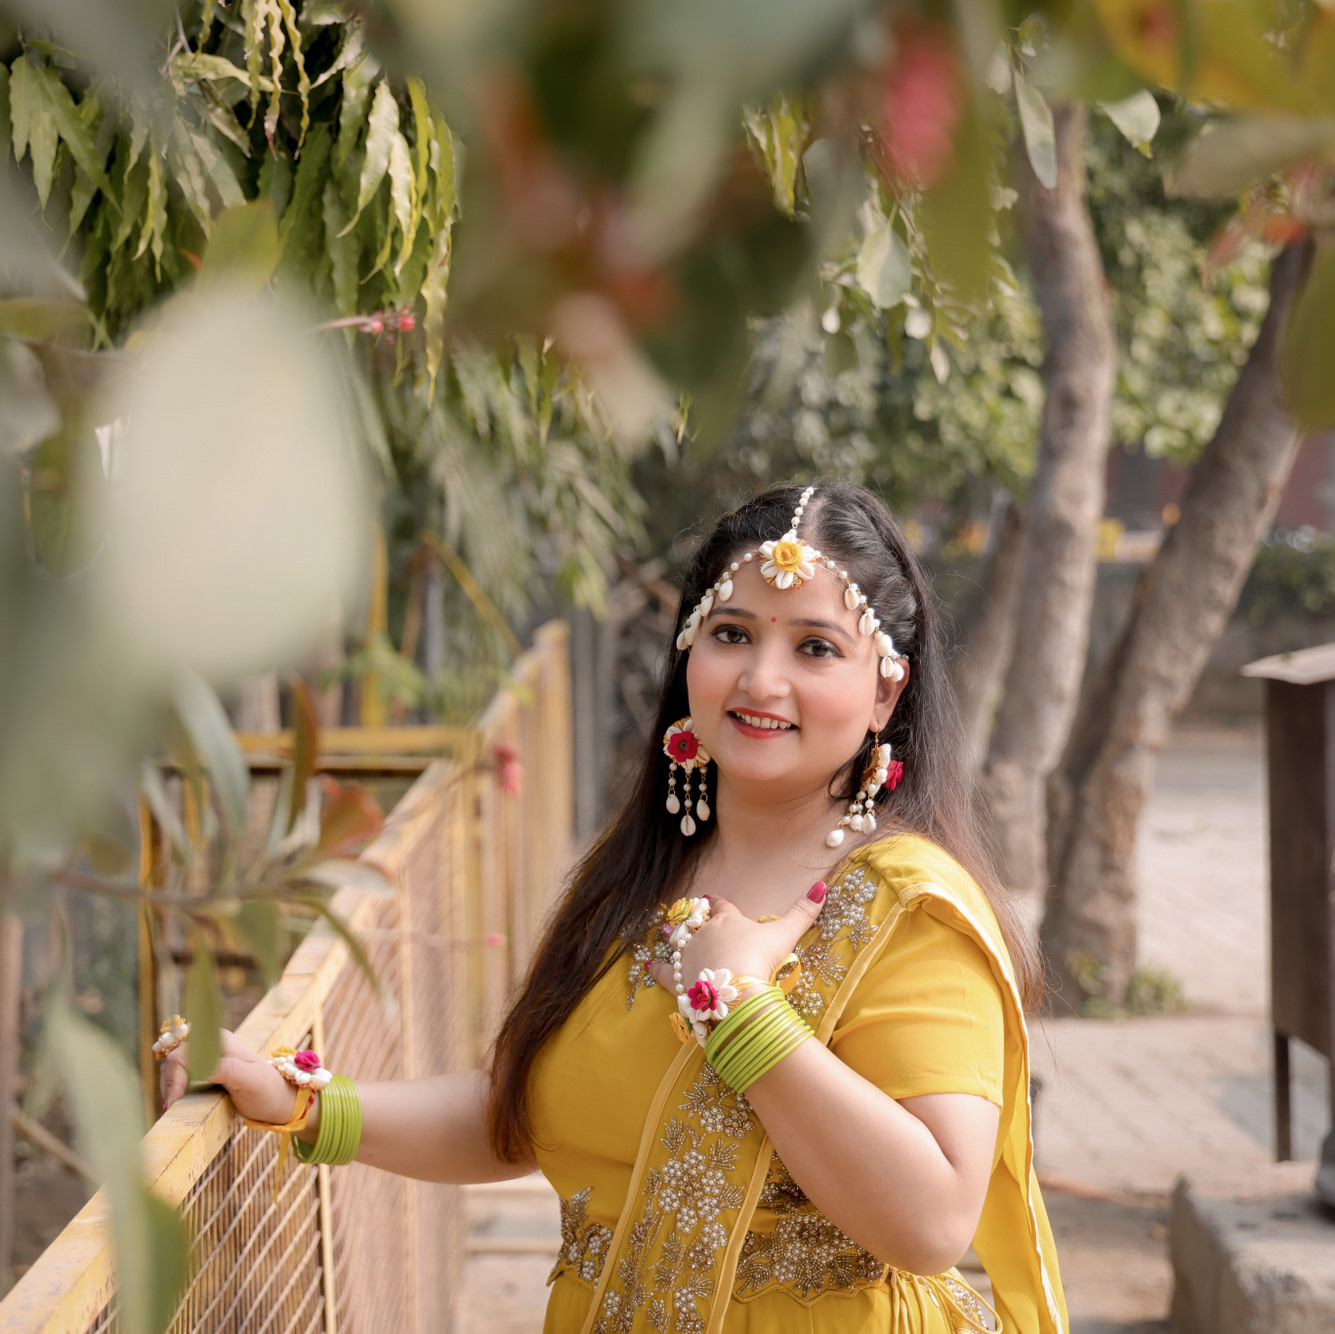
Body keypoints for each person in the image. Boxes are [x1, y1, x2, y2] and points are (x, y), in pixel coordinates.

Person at [160, 481, 1066, 1333]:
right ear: (690, 650)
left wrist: (746, 1014)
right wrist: (304, 1106)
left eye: (816, 648)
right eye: (734, 633)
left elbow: (933, 1222)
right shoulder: (641, 869)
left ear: (886, 690)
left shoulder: (907, 908)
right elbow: (516, 1117)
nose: (760, 680)